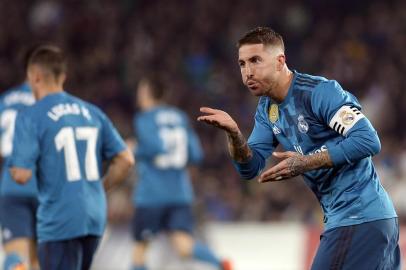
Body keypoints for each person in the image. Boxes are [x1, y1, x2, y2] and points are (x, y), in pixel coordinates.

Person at [198, 27, 400, 270]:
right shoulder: (267, 110)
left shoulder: (319, 92)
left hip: (359, 217)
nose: (247, 72)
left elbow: (368, 140)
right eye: (242, 64)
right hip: (360, 221)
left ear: (280, 61)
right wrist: (234, 135)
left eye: (255, 61)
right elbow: (250, 168)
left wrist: (305, 162)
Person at [8, 45, 135, 270]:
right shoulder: (92, 112)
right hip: (94, 217)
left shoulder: (31, 116)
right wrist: (100, 188)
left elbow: (21, 174)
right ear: (63, 76)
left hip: (60, 219)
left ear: (33, 77)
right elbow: (126, 159)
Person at [130, 77, 232, 270]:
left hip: (151, 194)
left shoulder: (144, 118)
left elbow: (154, 147)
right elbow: (196, 154)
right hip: (179, 194)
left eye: (141, 91)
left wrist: (134, 149)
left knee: (140, 250)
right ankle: (221, 265)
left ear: (148, 93)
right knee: (184, 246)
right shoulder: (179, 117)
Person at [0, 47, 39, 270]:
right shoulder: (51, 104)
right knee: (41, 260)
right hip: (45, 187)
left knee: (15, 257)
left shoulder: (5, 101)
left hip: (12, 186)